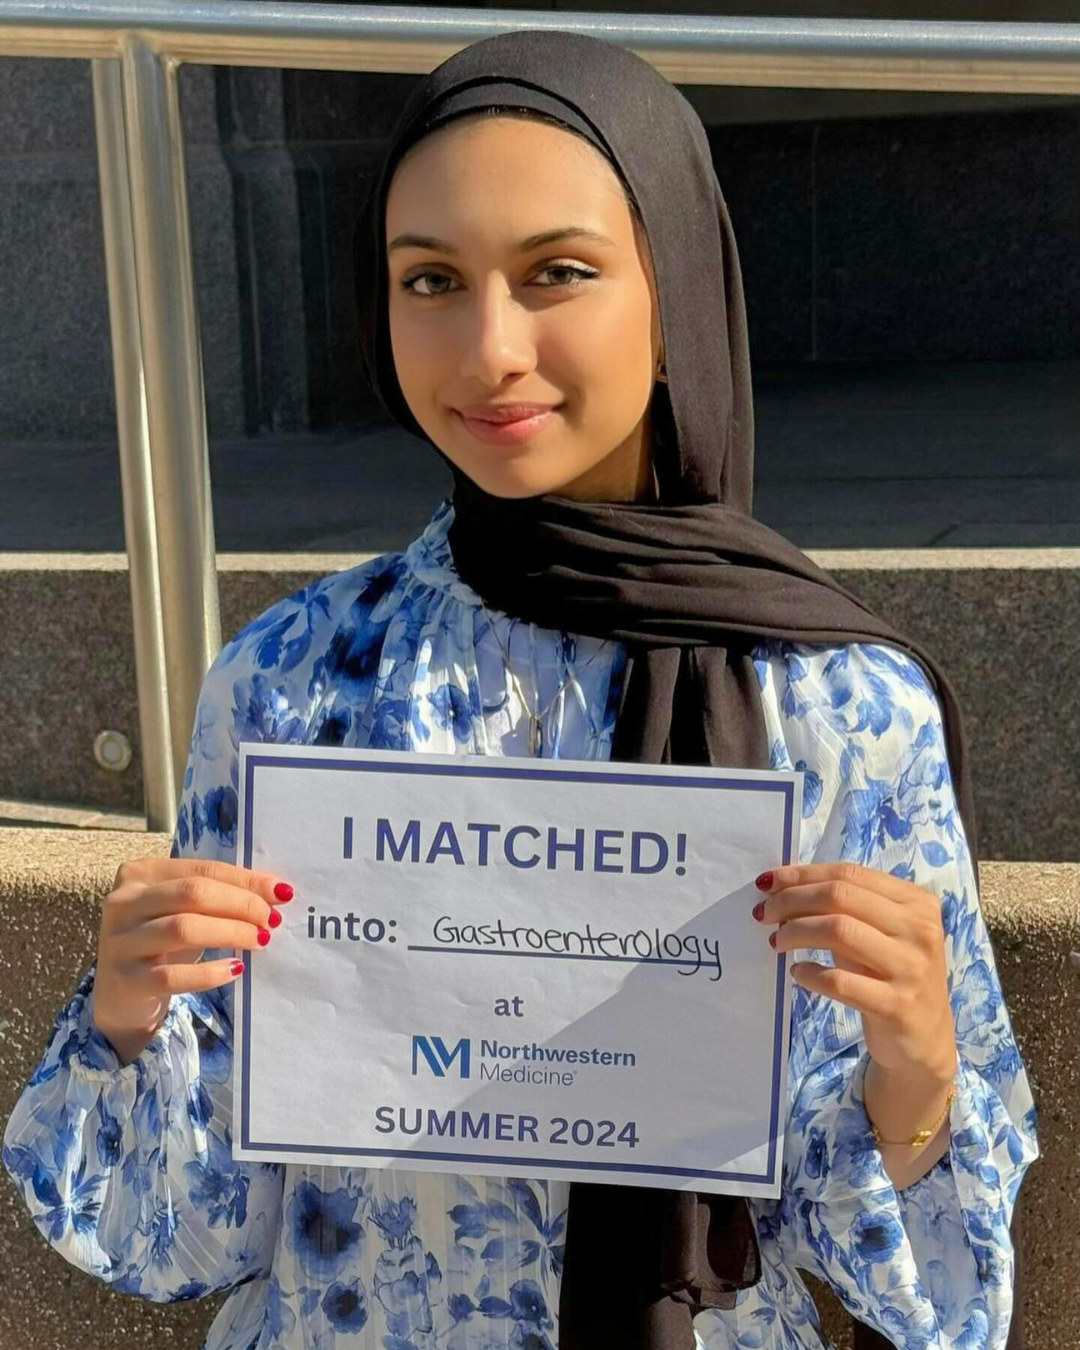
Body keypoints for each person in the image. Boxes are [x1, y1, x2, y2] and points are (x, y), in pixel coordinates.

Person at [3, 29, 1037, 1350]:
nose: (489, 349)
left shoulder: (835, 703)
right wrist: (132, 1020)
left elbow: (926, 1300)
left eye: (558, 272)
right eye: (429, 278)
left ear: (673, 284)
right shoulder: (297, 677)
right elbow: (189, 1236)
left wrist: (919, 1071)